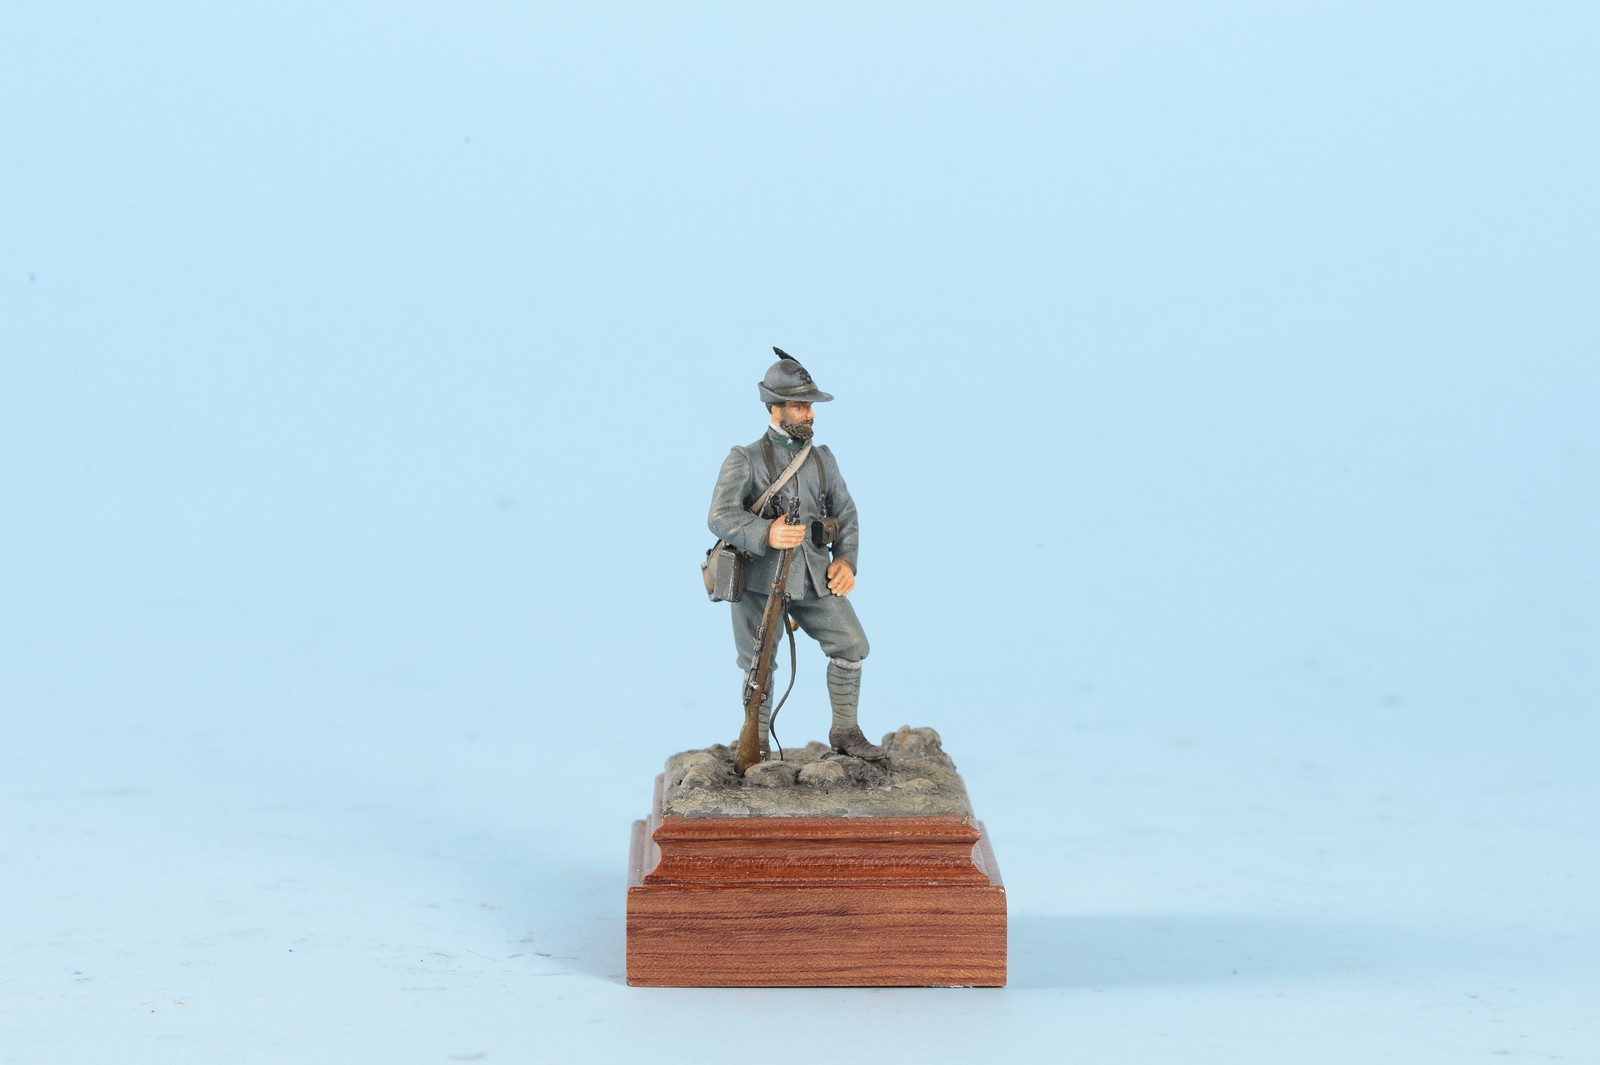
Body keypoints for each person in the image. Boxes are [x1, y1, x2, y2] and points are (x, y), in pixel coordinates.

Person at [707, 349, 885, 762]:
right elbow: (720, 516)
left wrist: (846, 560)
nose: (809, 414)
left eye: (809, 406)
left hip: (812, 575)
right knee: (758, 664)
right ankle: (756, 746)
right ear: (775, 408)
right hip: (759, 580)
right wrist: (765, 532)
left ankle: (845, 731)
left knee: (852, 644)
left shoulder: (822, 459)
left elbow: (846, 512)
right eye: (799, 406)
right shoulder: (745, 459)